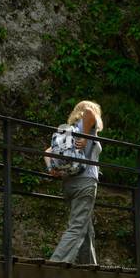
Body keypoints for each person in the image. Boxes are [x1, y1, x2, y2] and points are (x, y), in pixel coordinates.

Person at [46, 100, 103, 265]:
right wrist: (85, 138)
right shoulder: (87, 127)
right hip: (85, 182)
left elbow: (48, 151)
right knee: (77, 227)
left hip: (69, 184)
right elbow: (89, 113)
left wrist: (51, 168)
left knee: (85, 227)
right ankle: (55, 264)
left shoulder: (69, 133)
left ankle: (90, 268)